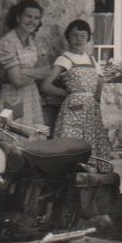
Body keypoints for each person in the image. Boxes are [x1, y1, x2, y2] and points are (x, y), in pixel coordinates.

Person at [0, 0, 56, 128]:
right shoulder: (8, 42)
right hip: (12, 98)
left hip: (31, 96)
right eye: (28, 16)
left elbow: (47, 71)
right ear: (18, 17)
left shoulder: (34, 41)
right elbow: (17, 81)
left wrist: (24, 71)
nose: (32, 21)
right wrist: (34, 74)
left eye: (36, 18)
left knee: (33, 139)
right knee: (13, 137)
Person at [51, 19, 108, 160]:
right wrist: (68, 94)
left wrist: (97, 98)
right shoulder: (64, 59)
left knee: (90, 140)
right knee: (72, 140)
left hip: (91, 109)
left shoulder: (91, 59)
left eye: (83, 36)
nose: (79, 39)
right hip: (73, 109)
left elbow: (100, 79)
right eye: (74, 35)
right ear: (68, 37)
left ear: (88, 38)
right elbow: (46, 85)